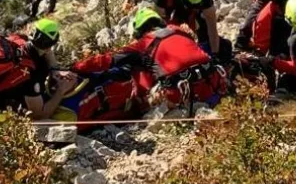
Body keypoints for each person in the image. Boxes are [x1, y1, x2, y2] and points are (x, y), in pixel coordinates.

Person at [73, 8, 228, 110]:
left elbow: (106, 60)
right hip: (214, 80)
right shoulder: (179, 30)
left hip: (180, 93)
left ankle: (141, 104)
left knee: (140, 70)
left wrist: (76, 67)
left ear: (140, 31)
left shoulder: (142, 45)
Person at [0, 18, 79, 120]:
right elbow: (40, 115)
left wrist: (54, 70)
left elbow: (45, 51)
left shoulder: (17, 40)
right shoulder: (31, 75)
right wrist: (61, 90)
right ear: (50, 45)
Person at [149, 0, 224, 56]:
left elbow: (212, 27)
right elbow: (155, 27)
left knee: (205, 33)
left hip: (193, 12)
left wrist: (215, 54)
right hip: (169, 9)